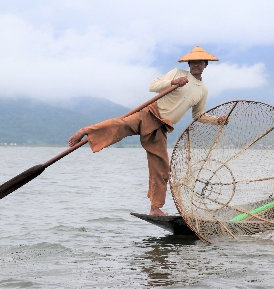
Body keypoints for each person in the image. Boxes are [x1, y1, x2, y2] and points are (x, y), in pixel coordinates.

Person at [68, 45, 227, 216]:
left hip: (161, 127)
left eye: (200, 63)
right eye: (193, 63)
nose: (196, 65)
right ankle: (86, 131)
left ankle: (155, 208)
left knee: (162, 168)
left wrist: (217, 121)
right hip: (149, 114)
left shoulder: (203, 90)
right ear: (189, 64)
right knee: (121, 125)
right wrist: (172, 83)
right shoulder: (178, 73)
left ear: (205, 65)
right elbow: (153, 86)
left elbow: (198, 115)